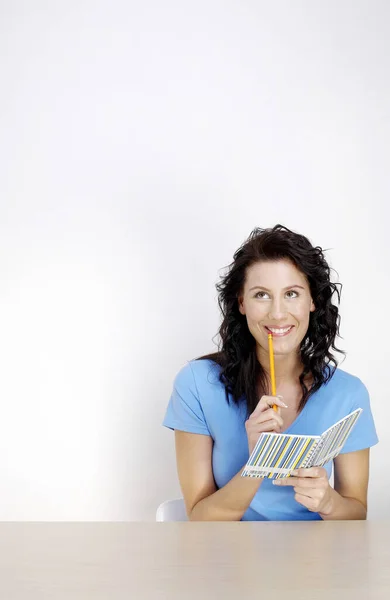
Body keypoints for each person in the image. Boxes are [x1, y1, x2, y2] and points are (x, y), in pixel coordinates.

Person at [162, 225, 378, 521]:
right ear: (241, 302)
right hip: (227, 562)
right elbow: (200, 517)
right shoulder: (197, 384)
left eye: (292, 293)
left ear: (312, 301)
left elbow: (356, 514)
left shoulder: (348, 394)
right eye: (261, 295)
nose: (277, 313)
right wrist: (258, 461)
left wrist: (329, 502)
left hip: (316, 563)